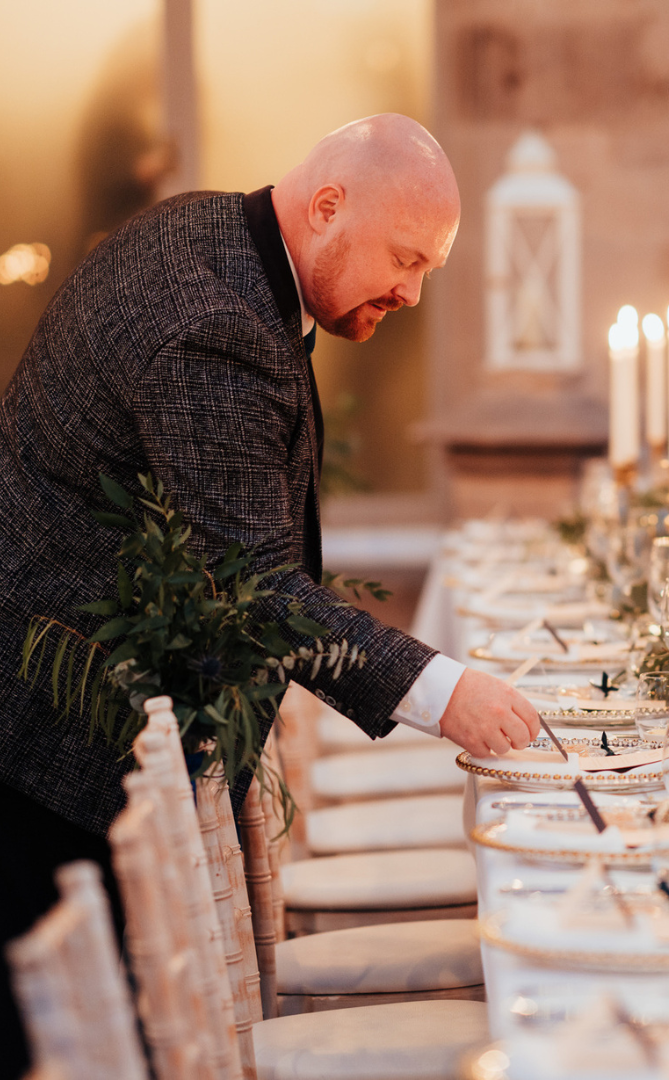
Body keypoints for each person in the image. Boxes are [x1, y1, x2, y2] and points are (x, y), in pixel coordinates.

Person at [0, 113, 540, 1071]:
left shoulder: (219, 241)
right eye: (404, 259)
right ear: (328, 207)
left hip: (75, 685)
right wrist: (447, 693)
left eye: (428, 271)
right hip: (61, 716)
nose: (412, 293)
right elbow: (253, 586)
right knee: (81, 1035)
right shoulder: (211, 323)